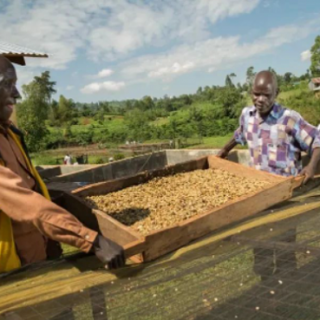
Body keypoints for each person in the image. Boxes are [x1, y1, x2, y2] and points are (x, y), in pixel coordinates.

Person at [0, 56, 125, 273]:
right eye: (7, 84)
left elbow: (33, 189)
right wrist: (94, 241)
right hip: (9, 274)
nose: (17, 94)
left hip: (37, 259)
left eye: (16, 84)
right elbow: (23, 202)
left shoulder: (10, 135)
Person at [218, 70, 320, 278]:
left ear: (276, 94)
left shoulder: (289, 119)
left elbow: (317, 141)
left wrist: (311, 167)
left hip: (285, 197)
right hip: (258, 196)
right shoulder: (247, 116)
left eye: (266, 95)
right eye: (256, 94)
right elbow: (239, 135)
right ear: (251, 92)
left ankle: (285, 289)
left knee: (284, 245)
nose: (260, 99)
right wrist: (224, 150)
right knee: (261, 244)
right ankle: (265, 284)